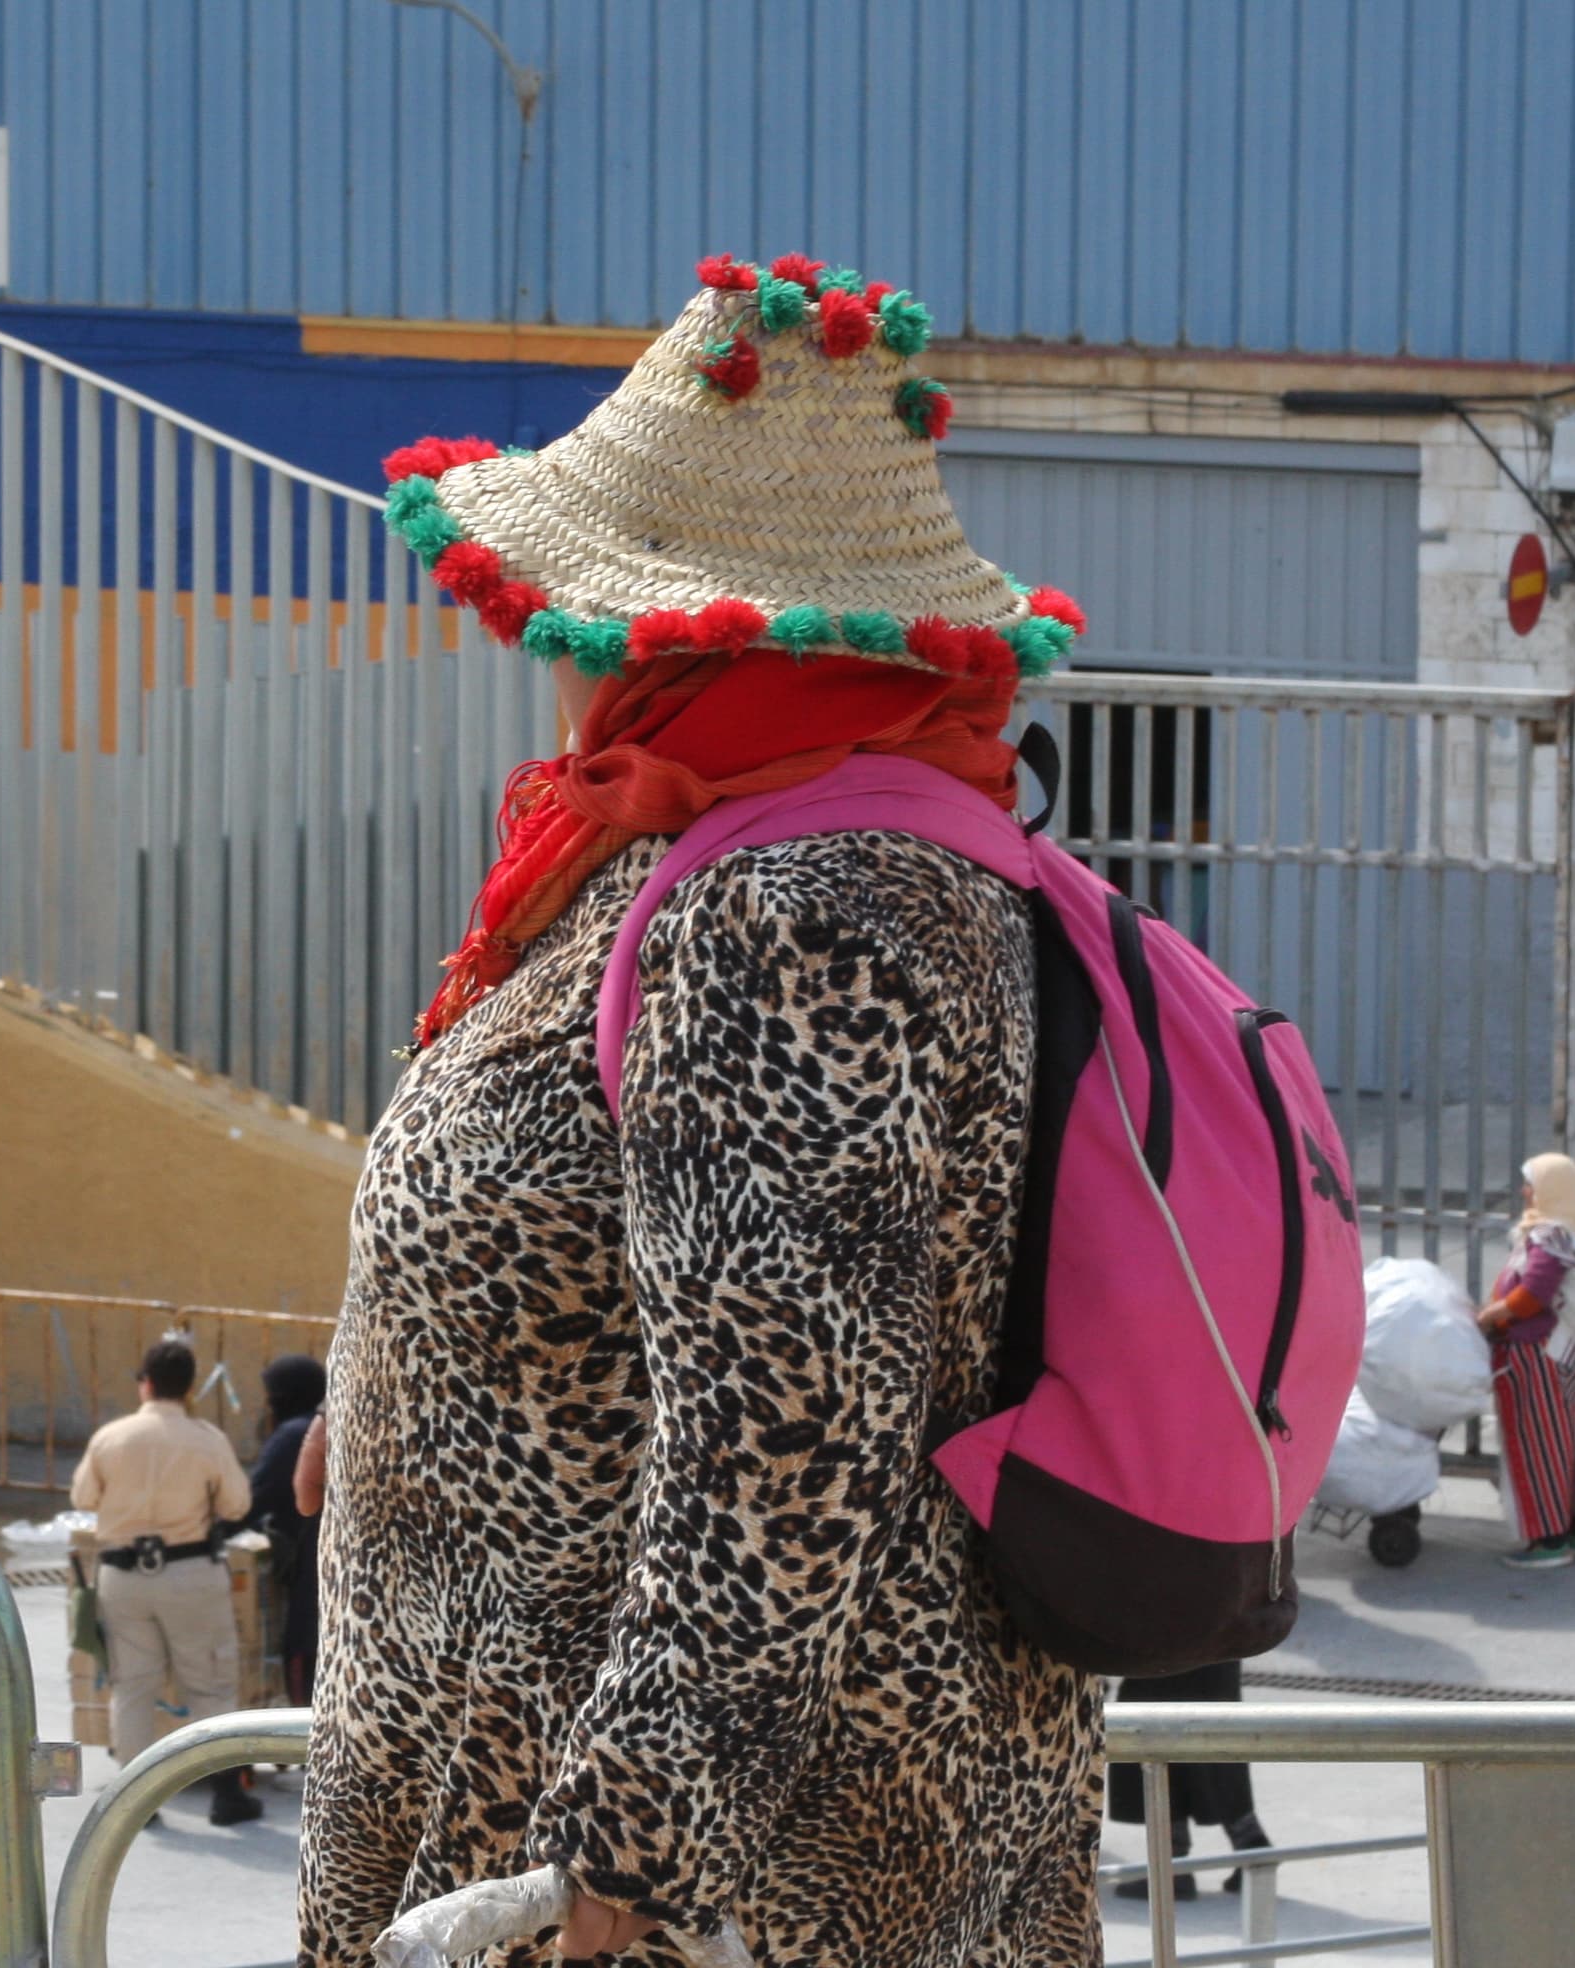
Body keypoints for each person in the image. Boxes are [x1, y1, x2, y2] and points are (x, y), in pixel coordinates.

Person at [302, 255, 1097, 1967]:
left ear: (670, 628)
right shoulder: (758, 844)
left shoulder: (801, 907)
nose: (543, 657)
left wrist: (634, 1848)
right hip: (623, 1783)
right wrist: (401, 1376)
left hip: (688, 1866)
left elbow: (788, 1423)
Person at [72, 1334, 256, 1826]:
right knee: (210, 1685)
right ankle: (226, 1795)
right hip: (190, 1571)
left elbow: (83, 1498)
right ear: (189, 1388)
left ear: (145, 1383)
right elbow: (237, 1503)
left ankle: (137, 1803)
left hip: (123, 1576)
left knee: (132, 1685)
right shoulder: (208, 1439)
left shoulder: (110, 1437)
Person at [1479, 1153, 1575, 1570]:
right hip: (1558, 1351)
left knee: (1538, 1445)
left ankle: (1549, 1541)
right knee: (1566, 1441)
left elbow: (1535, 1293)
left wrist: (1491, 1316)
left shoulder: (1552, 1235)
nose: (1524, 1192)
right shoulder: (1568, 1231)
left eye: (1531, 1184)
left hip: (1535, 1354)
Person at [1106, 1663, 1271, 1900]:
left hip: (1171, 1657)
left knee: (1152, 1729)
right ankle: (1250, 1845)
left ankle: (1174, 1863)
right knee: (1210, 1741)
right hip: (1213, 1657)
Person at [247, 1353, 326, 1705]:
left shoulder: (295, 1434)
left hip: (310, 1584)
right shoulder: (333, 1425)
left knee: (305, 1686)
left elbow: (253, 1501)